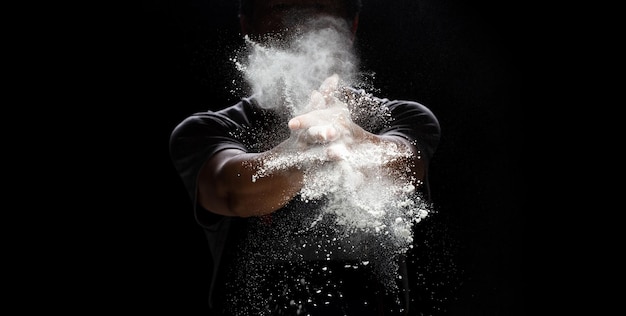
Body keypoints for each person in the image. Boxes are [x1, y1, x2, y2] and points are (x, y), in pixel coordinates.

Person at [169, 0, 441, 315]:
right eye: (282, 6)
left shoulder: (398, 117)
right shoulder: (212, 130)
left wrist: (354, 138)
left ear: (350, 26)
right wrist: (300, 153)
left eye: (319, 5)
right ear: (248, 27)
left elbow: (405, 166)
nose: (300, 22)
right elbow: (230, 191)